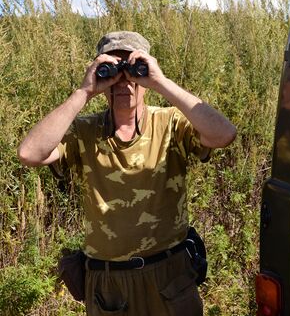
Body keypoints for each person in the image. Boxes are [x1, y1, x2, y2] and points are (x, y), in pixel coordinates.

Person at [17, 31, 237, 315]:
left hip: (169, 276)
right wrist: (84, 92)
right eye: (112, 70)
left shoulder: (170, 122)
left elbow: (224, 134)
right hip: (109, 285)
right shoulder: (83, 131)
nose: (124, 82)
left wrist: (160, 82)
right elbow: (29, 153)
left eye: (134, 69)